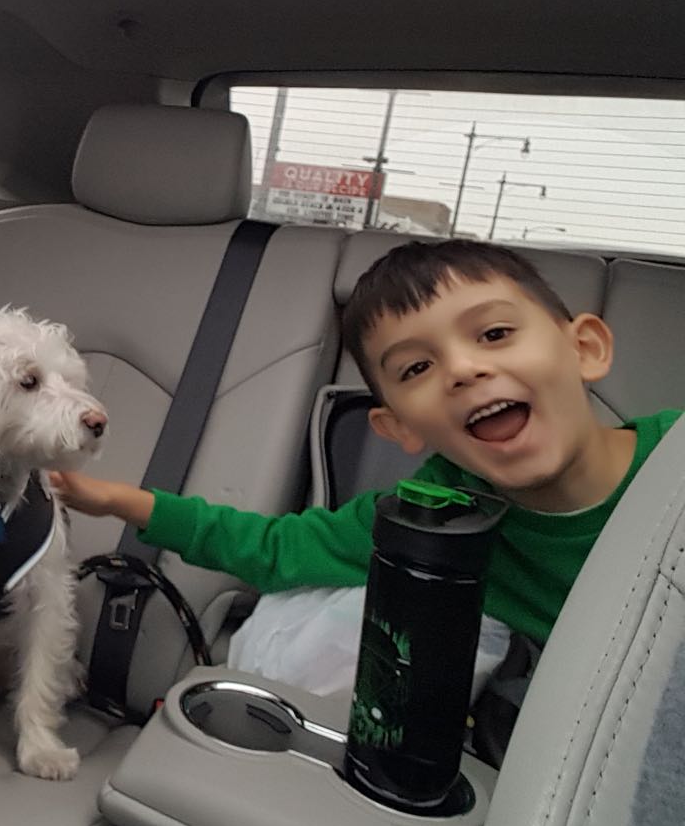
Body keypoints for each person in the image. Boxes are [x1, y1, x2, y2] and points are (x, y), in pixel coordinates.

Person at [50, 239, 680, 648]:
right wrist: (117, 502)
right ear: (398, 427)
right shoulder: (429, 519)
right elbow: (275, 548)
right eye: (417, 368)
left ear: (585, 348)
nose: (464, 370)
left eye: (493, 334)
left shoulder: (674, 462)